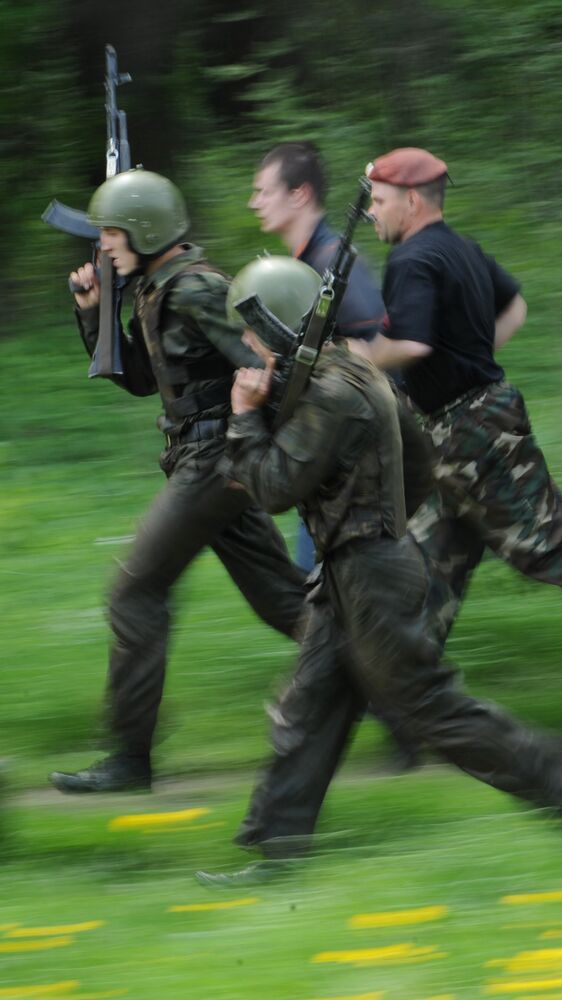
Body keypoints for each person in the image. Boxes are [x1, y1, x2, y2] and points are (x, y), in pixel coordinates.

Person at [198, 257, 562, 887]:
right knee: (311, 705)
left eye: (252, 334)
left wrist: (245, 416)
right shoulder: (353, 371)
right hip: (354, 566)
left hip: (370, 574)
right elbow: (418, 459)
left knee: (426, 707)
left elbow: (273, 487)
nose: (246, 348)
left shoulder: (332, 393)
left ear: (277, 326)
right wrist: (381, 523)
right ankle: (276, 853)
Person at [350, 147, 562, 691]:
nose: (373, 213)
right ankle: (408, 700)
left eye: (380, 201)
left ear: (411, 201)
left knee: (546, 542)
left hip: (475, 435)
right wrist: (473, 355)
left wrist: (359, 356)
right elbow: (515, 309)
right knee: (428, 565)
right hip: (448, 434)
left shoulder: (413, 260)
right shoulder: (459, 248)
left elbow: (408, 343)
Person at [50, 170, 309, 794]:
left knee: (134, 593)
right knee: (287, 604)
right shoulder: (155, 287)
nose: (103, 245)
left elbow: (268, 362)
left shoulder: (196, 289)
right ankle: (399, 696)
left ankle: (130, 760)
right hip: (211, 462)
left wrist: (257, 434)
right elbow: (143, 378)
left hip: (216, 462)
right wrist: (93, 313)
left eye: (111, 231)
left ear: (145, 229)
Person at [249, 140, 389, 573]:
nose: (254, 203)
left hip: (353, 454)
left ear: (300, 194)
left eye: (264, 191)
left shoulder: (331, 260)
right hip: (325, 448)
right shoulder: (302, 265)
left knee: (329, 584)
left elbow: (374, 349)